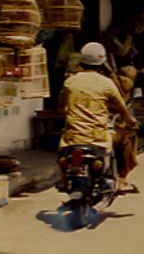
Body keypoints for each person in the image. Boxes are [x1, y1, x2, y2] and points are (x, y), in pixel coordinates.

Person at [59, 42, 139, 191]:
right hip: (98, 137)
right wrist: (130, 120)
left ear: (81, 62)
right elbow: (122, 108)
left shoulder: (70, 81)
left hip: (73, 136)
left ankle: (64, 180)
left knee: (63, 149)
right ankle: (122, 181)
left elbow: (61, 108)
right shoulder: (106, 83)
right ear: (102, 64)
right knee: (124, 137)